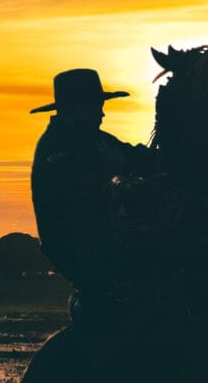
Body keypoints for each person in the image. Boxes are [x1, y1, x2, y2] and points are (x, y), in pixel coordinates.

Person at [29, 68, 153, 319]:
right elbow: (72, 193)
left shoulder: (96, 140)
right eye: (96, 106)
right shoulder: (54, 147)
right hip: (78, 247)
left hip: (102, 239)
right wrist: (110, 170)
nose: (102, 112)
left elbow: (135, 158)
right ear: (75, 109)